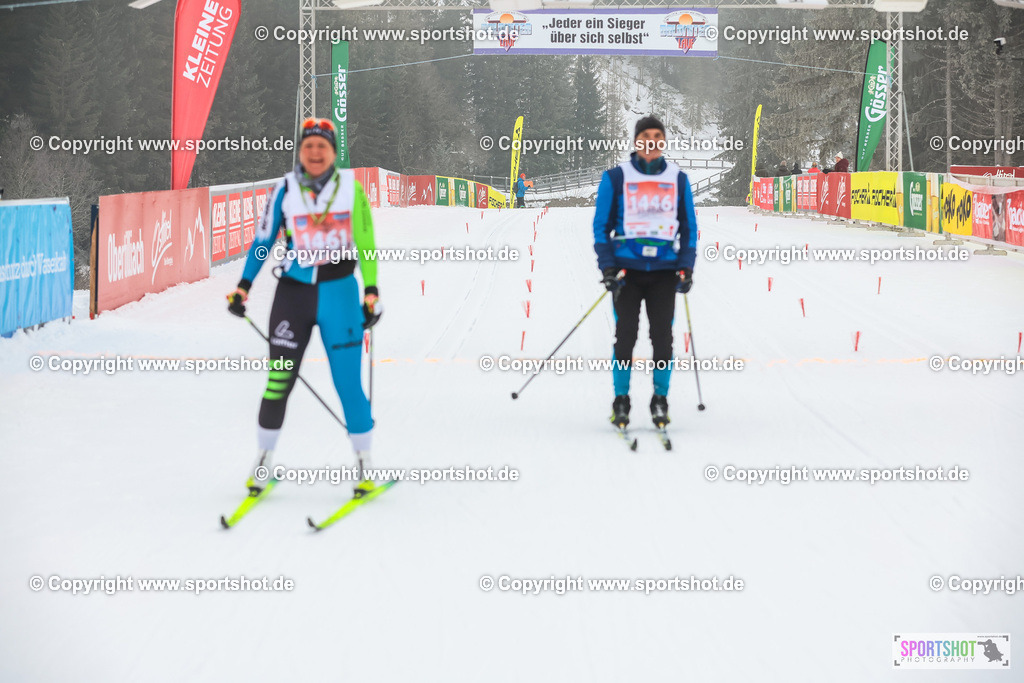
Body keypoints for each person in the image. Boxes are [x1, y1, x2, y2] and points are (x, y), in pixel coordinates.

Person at [226, 118, 381, 497]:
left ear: (333, 152)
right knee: (279, 381)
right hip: (293, 297)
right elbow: (262, 241)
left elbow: (366, 242)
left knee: (348, 385)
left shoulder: (351, 189)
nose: (314, 153)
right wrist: (243, 286)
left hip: (340, 295)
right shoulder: (285, 188)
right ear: (300, 150)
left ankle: (364, 467)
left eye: (322, 147)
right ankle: (263, 462)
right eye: (308, 146)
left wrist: (371, 290)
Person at [593, 115, 697, 430]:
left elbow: (689, 228)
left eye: (657, 136)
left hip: (665, 271)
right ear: (636, 141)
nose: (651, 141)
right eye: (645, 136)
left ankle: (659, 399)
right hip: (627, 271)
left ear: (663, 141)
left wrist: (686, 266)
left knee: (662, 338)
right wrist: (608, 266)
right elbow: (601, 227)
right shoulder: (615, 177)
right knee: (625, 336)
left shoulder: (677, 179)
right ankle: (621, 400)